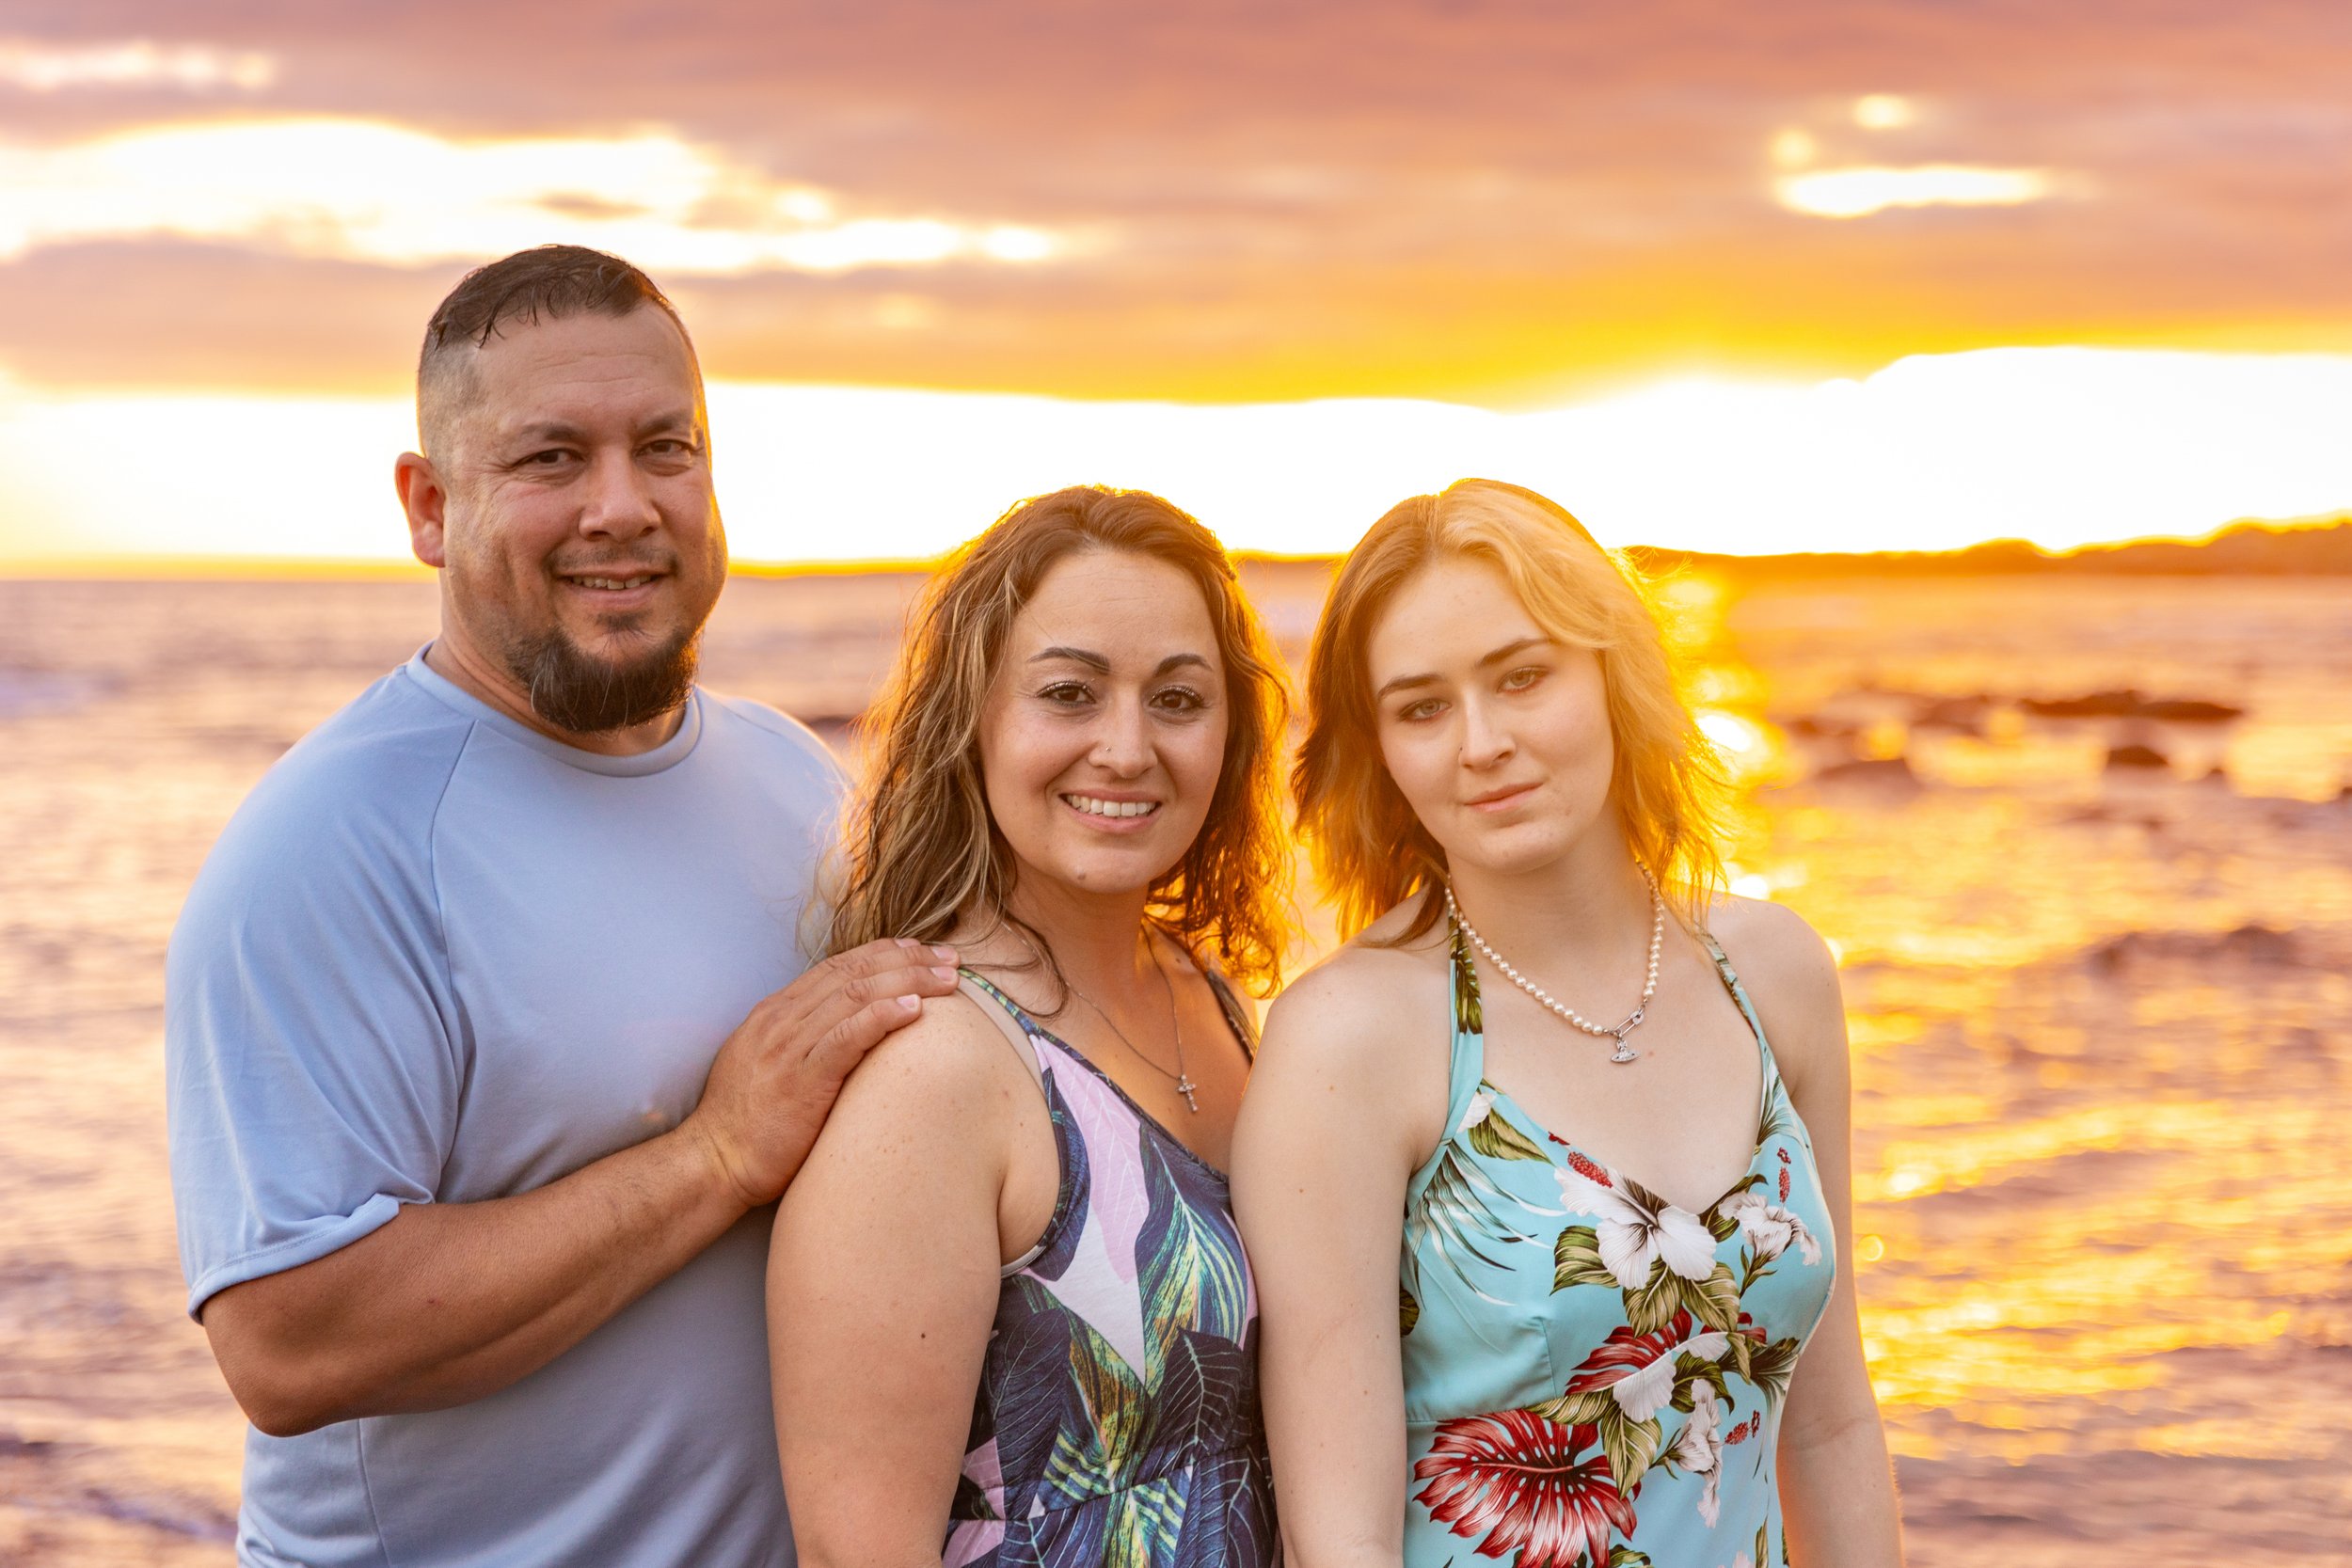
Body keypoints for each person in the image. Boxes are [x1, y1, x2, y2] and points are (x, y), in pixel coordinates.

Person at [164, 245, 962, 1567]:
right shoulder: (329, 846)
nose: (623, 505)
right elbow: (288, 1341)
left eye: (666, 447)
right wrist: (712, 1156)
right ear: (428, 506)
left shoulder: (788, 771)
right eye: (550, 458)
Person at [1232, 480, 1903, 1567]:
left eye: (1522, 675)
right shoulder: (1350, 1039)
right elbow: (1335, 1538)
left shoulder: (1773, 972)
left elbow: (1828, 1422)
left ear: (1613, 673)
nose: (1481, 741)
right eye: (1421, 706)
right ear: (1382, 753)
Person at [766, 485, 1293, 1566]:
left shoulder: (1221, 1000)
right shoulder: (937, 1071)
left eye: (1178, 699)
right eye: (1069, 693)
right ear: (975, 721)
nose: (1126, 747)